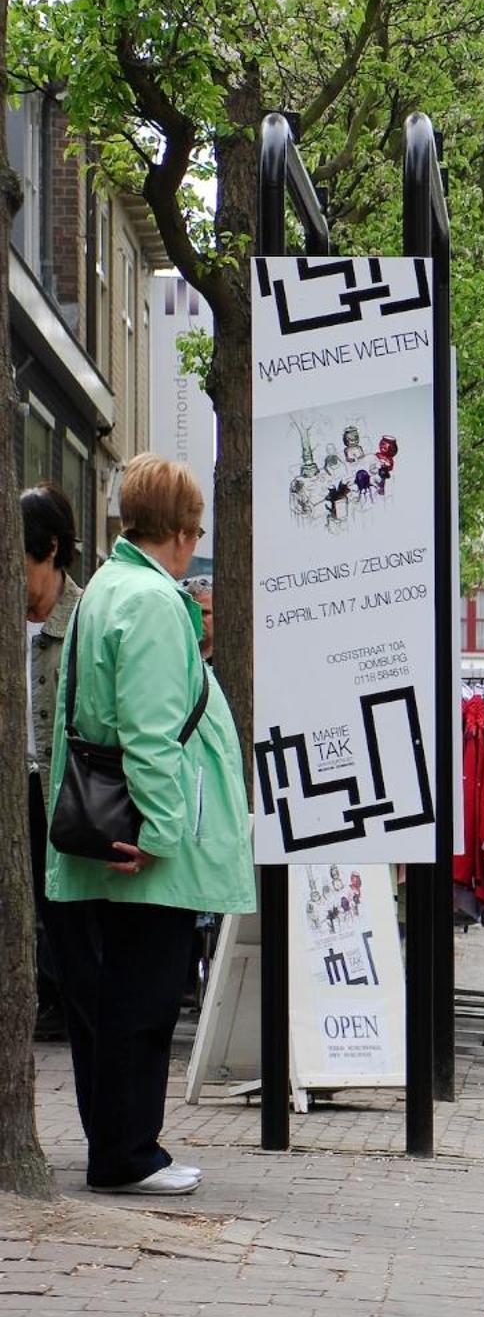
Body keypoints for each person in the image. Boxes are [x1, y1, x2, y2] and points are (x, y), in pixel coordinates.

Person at [42, 455, 254, 1195]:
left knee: (110, 1004)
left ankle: (118, 1149)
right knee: (145, 998)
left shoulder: (105, 587)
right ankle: (130, 1156)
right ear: (186, 530)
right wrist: (164, 835)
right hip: (143, 843)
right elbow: (153, 735)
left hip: (100, 825)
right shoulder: (156, 602)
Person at [24, 484, 83, 1041]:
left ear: (49, 550)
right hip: (16, 780)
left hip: (61, 784)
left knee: (59, 901)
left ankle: (64, 1000)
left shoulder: (86, 616)